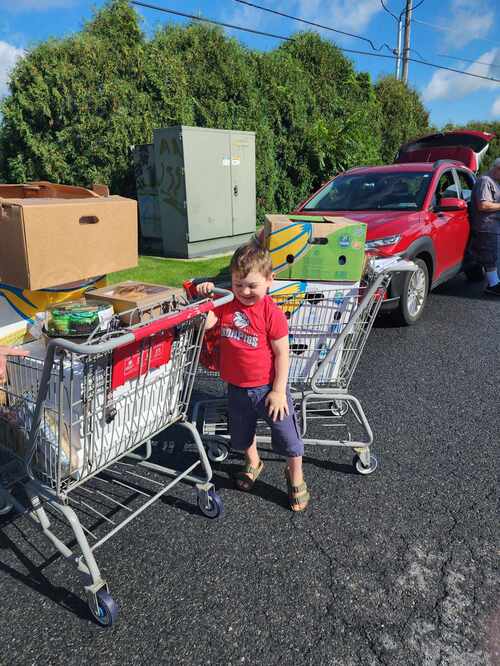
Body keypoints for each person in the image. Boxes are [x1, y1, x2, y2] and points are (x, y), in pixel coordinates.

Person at [196, 241, 309, 512]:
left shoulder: (272, 313)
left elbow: (282, 354)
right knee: (241, 434)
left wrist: (279, 391)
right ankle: (253, 462)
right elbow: (208, 322)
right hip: (236, 387)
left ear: (270, 280)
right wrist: (205, 297)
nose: (245, 291)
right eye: (238, 284)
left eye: (252, 285)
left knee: (288, 437)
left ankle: (295, 475)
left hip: (269, 389)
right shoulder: (225, 305)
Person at [469, 157, 500, 296]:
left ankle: (495, 282)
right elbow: (483, 205)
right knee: (489, 255)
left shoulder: (494, 181)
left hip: (492, 225)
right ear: (497, 168)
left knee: (491, 254)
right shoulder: (485, 181)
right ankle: (493, 285)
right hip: (486, 225)